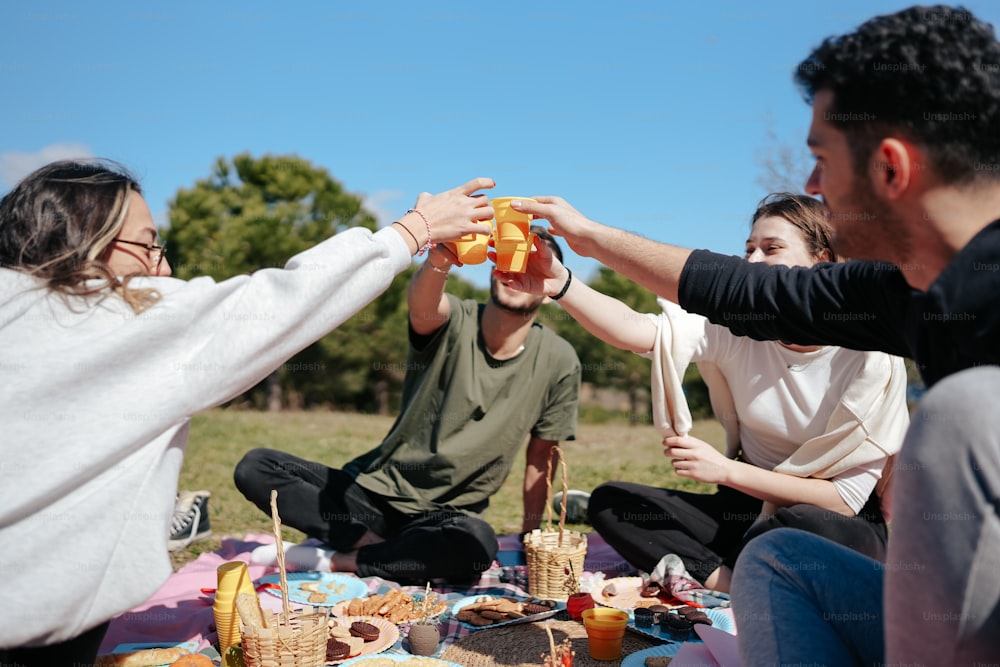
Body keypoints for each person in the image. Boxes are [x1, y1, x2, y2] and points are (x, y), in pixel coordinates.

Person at [497, 5, 1000, 663]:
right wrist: (586, 243)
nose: (812, 185)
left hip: (873, 544)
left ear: (890, 168)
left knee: (954, 421)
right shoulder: (905, 292)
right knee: (776, 558)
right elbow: (741, 292)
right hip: (795, 534)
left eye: (820, 159)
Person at [0, 158, 494, 665]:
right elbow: (283, 303)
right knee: (260, 465)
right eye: (148, 246)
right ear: (84, 245)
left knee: (472, 539)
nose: (163, 268)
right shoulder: (108, 318)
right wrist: (414, 232)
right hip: (28, 634)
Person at [506, 193, 908, 602]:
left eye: (771, 249)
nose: (751, 262)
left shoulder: (871, 358)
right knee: (613, 503)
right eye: (748, 249)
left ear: (821, 262)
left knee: (808, 525)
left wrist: (724, 471)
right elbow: (638, 331)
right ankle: (733, 584)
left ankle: (745, 571)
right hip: (747, 512)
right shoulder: (739, 327)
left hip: (833, 523)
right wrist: (561, 284)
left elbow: (843, 501)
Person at [233, 224, 581, 584]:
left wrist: (531, 536)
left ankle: (338, 560)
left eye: (534, 266)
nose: (519, 273)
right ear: (495, 267)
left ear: (550, 287)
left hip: (445, 515)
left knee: (477, 546)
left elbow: (541, 459)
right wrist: (443, 255)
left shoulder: (560, 360)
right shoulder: (454, 319)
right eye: (511, 259)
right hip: (373, 494)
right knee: (256, 466)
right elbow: (423, 301)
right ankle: (376, 549)